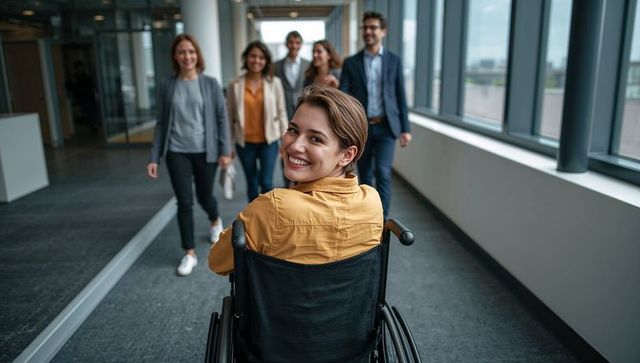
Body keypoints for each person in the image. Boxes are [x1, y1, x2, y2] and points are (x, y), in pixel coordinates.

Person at [209, 86, 383, 275]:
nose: (295, 146)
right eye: (293, 130)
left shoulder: (273, 208)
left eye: (316, 139)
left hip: (278, 305)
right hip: (353, 305)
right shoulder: (372, 202)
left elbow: (217, 262)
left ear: (347, 155)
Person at [147, 34, 232, 276]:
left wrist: (225, 150)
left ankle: (215, 219)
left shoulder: (210, 84)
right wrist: (154, 156)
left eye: (191, 52)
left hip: (206, 150)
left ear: (197, 55)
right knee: (184, 202)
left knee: (205, 196)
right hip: (176, 151)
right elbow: (161, 122)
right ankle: (189, 253)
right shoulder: (167, 85)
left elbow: (221, 118)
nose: (187, 56)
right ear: (175, 56)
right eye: (182, 52)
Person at [340, 11, 412, 220]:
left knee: (383, 172)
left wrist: (405, 129)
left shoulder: (393, 61)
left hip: (387, 127)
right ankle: (367, 218)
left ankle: (382, 221)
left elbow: (400, 95)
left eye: (373, 28)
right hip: (361, 128)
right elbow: (344, 94)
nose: (369, 32)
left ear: (383, 31)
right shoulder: (351, 62)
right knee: (365, 176)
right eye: (366, 28)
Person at [227, 41, 288, 202]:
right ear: (246, 58)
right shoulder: (235, 84)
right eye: (253, 56)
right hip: (244, 142)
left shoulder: (274, 83)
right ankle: (253, 219)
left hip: (269, 140)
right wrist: (228, 145)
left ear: (266, 61)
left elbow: (282, 113)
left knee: (266, 181)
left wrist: (286, 141)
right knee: (252, 182)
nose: (256, 60)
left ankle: (267, 217)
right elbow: (230, 116)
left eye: (261, 57)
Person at [274, 31, 311, 120]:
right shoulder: (275, 66)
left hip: (303, 106)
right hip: (283, 107)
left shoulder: (308, 65)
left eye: (297, 43)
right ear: (286, 44)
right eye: (291, 42)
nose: (294, 46)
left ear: (301, 45)